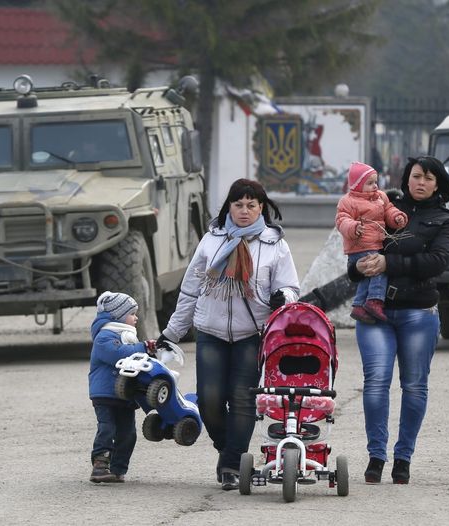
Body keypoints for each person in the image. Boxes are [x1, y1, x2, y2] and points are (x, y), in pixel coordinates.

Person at [157, 178, 300, 491]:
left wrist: (284, 297)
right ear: (229, 207)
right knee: (209, 399)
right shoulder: (212, 240)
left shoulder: (275, 244)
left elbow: (291, 287)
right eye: (239, 205)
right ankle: (227, 447)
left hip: (253, 333)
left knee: (242, 399)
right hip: (211, 330)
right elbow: (191, 289)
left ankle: (232, 463)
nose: (245, 211)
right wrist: (172, 333)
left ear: (262, 207)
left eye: (251, 205)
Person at [349, 156, 449, 485]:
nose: (420, 182)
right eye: (415, 176)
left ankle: (403, 457)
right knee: (376, 383)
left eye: (427, 178)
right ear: (406, 179)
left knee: (413, 386)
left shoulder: (445, 220)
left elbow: (437, 262)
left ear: (437, 183)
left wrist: (388, 264)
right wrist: (359, 268)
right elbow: (354, 258)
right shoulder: (380, 206)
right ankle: (376, 456)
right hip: (373, 312)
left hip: (418, 313)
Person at [88, 291, 158, 484]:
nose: (136, 318)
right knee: (107, 428)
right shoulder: (104, 336)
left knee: (128, 433)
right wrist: (143, 347)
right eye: (132, 313)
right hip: (105, 393)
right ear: (118, 315)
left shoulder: (127, 338)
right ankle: (100, 465)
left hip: (125, 395)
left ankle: (118, 469)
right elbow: (117, 354)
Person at [336, 162, 408, 324]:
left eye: (376, 182)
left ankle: (359, 306)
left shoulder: (381, 197)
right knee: (378, 271)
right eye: (369, 183)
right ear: (357, 185)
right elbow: (342, 220)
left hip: (375, 244)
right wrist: (353, 227)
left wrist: (397, 218)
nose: (375, 186)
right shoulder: (348, 201)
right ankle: (375, 300)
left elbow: (389, 210)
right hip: (359, 245)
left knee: (366, 277)